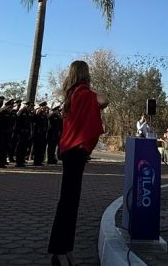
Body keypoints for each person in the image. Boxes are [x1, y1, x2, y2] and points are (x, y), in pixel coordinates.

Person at [48, 60, 108, 266]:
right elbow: (104, 99)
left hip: (69, 151)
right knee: (68, 203)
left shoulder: (70, 95)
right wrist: (91, 88)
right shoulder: (83, 93)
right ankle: (59, 251)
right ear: (85, 74)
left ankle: (66, 249)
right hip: (76, 152)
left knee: (71, 202)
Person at [0, 98, 16, 168]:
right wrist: (4, 107)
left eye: (12, 107)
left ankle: (2, 162)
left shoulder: (11, 114)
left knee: (5, 148)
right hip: (1, 133)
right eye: (10, 107)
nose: (11, 108)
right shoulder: (2, 112)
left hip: (8, 133)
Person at [14, 102, 33, 167]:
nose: (30, 108)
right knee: (19, 147)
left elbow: (29, 124)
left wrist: (30, 132)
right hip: (20, 132)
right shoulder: (21, 112)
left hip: (26, 132)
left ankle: (22, 161)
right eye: (29, 106)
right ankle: (18, 162)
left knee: (24, 148)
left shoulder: (28, 113)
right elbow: (16, 119)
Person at [32, 102, 49, 166]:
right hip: (38, 134)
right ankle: (36, 161)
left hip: (43, 134)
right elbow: (34, 121)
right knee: (37, 147)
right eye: (43, 107)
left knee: (41, 148)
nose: (45, 108)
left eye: (45, 107)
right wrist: (36, 112)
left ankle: (40, 160)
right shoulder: (38, 115)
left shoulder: (44, 116)